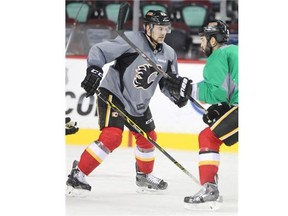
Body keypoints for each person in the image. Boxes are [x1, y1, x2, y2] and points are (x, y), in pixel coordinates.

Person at [66, 10, 192, 193]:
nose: (163, 33)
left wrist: (177, 96)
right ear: (148, 28)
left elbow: (167, 84)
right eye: (159, 28)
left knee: (149, 138)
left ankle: (143, 176)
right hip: (114, 93)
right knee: (112, 136)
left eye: (166, 28)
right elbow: (99, 50)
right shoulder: (132, 41)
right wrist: (94, 69)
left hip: (138, 103)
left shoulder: (169, 54)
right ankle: (78, 174)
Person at [182, 20, 238, 205]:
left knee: (208, 137)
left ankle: (209, 188)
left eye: (203, 39)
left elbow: (218, 91)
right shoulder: (234, 51)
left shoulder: (217, 56)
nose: (202, 43)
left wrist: (189, 88)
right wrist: (226, 107)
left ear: (213, 41)